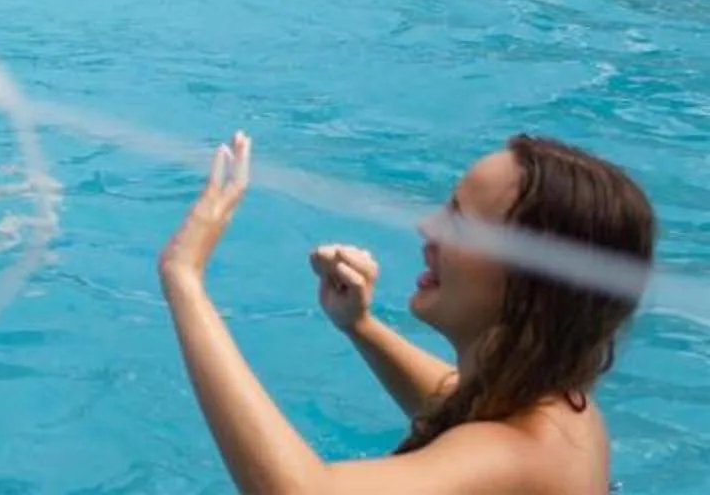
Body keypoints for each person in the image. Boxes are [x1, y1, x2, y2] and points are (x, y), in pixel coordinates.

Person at [158, 131, 653, 492]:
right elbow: (456, 404)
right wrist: (361, 327)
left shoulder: (516, 455)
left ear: (529, 287)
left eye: (460, 222)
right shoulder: (566, 413)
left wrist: (185, 279)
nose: (428, 226)